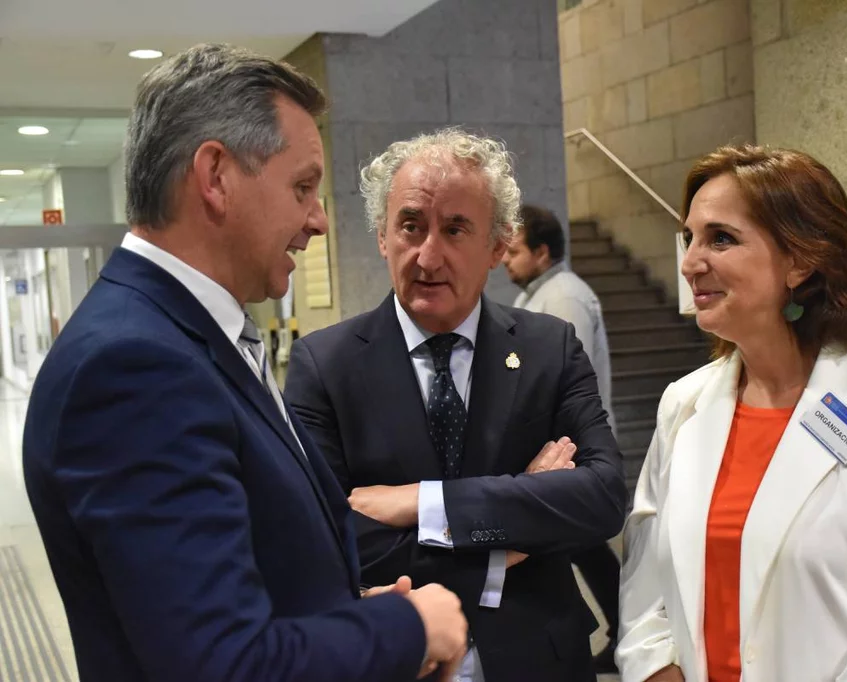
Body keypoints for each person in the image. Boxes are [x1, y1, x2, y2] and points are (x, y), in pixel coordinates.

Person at [22, 43, 467, 682]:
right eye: (302, 186)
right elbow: (221, 664)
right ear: (216, 177)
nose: (318, 220)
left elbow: (235, 585)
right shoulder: (135, 368)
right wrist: (407, 627)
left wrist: (345, 618)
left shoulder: (186, 336)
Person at [616, 144, 847, 682]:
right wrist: (655, 670)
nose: (691, 261)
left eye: (721, 238)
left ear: (800, 259)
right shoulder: (685, 404)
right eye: (689, 237)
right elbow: (646, 590)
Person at [284, 128, 628, 682]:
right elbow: (325, 535)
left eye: (455, 229)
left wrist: (423, 503)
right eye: (411, 226)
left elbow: (603, 498)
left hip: (538, 659)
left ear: (497, 246)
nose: (428, 254)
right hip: (395, 658)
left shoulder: (548, 348)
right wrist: (502, 543)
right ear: (381, 235)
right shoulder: (324, 365)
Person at [502, 204, 621, 674]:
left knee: (581, 547)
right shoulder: (539, 294)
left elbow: (571, 383)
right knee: (583, 549)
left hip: (568, 451)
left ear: (543, 252)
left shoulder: (565, 297)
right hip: (550, 451)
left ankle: (612, 629)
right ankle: (613, 627)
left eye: (514, 251)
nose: (506, 260)